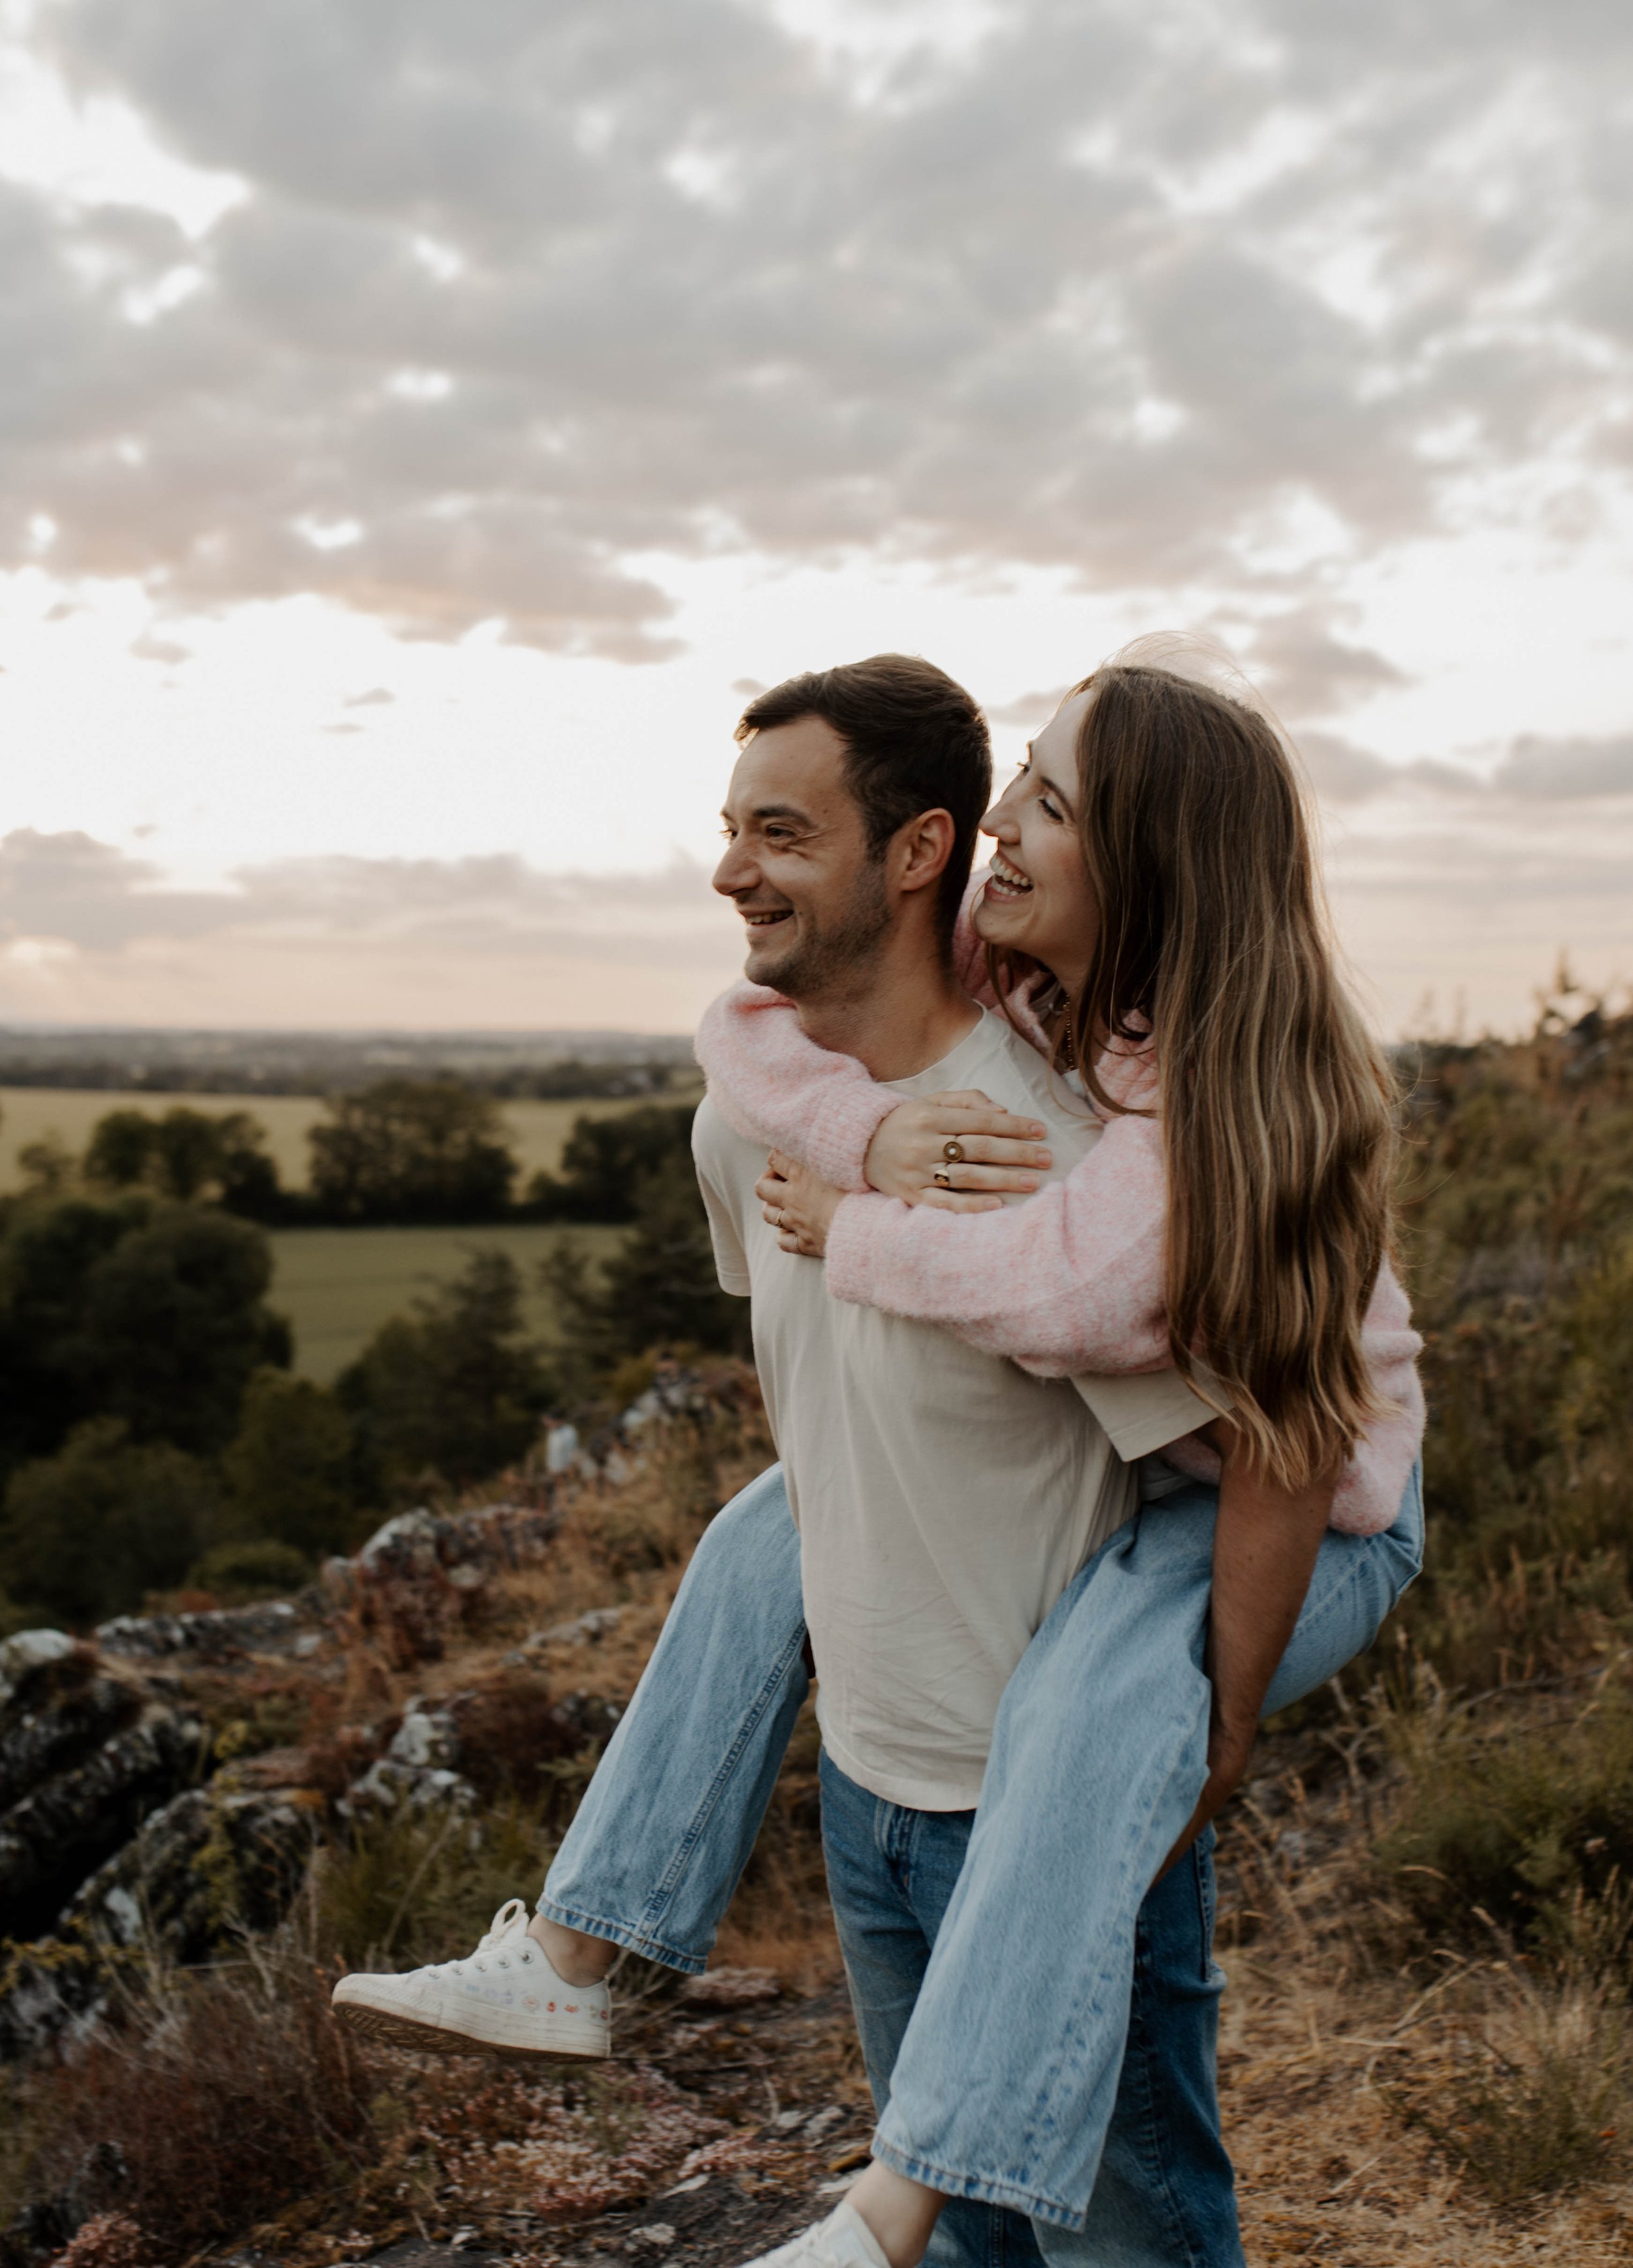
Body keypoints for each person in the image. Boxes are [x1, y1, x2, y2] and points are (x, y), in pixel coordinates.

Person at [336, 652, 1423, 2268]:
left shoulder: (1155, 1124)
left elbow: (1242, 1412)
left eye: (1051, 802)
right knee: (759, 1533)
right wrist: (862, 1137)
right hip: (881, 1775)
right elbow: (744, 1035)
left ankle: (889, 2204)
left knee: (1099, 1741)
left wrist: (1217, 1716)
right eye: (1017, 782)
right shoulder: (1005, 1002)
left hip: (1288, 1521)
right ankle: (583, 1950)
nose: (1004, 821)